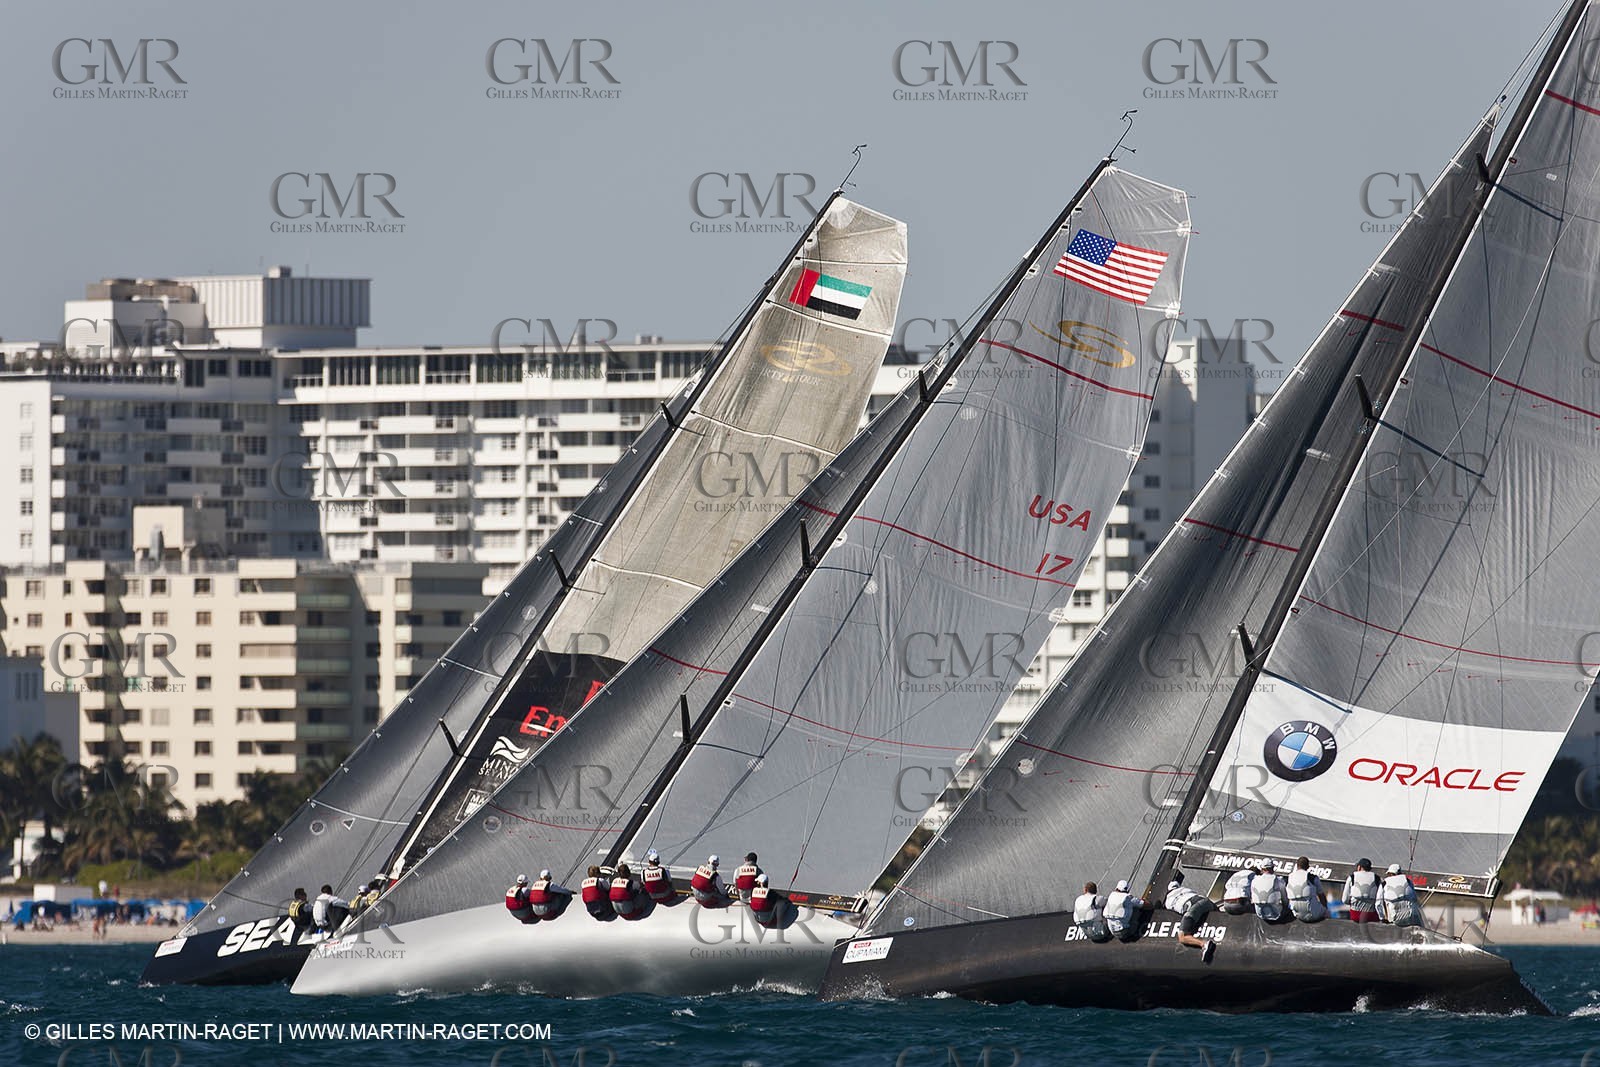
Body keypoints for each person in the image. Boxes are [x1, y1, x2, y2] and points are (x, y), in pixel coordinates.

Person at [1162, 872, 1217, 962]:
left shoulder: (1168, 901)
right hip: (1204, 901)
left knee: (1182, 937)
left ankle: (1204, 944)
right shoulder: (1185, 889)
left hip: (1193, 908)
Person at [1377, 862, 1422, 927]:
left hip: (1395, 918)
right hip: (1411, 916)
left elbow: (1378, 903)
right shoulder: (1408, 881)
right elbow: (1414, 898)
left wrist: (1382, 918)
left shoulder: (1384, 883)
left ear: (1390, 874)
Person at [1286, 856, 1329, 922]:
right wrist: (1325, 909)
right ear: (1308, 867)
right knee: (1326, 912)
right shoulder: (1313, 878)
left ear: (1297, 866)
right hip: (1312, 914)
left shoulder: (1290, 877)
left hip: (1296, 914)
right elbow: (1321, 896)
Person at [1344, 859, 1381, 923]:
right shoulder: (1377, 878)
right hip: (1371, 915)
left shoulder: (1352, 877)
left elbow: (1344, 900)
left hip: (1355, 915)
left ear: (1359, 867)